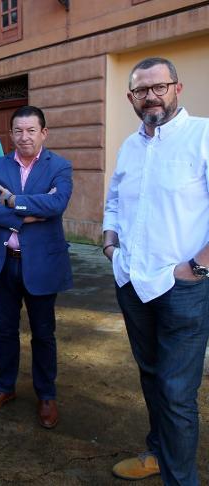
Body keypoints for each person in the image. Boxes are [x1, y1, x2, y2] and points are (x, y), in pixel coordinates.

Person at [103, 57, 209, 485]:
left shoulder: (203, 135)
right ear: (131, 98)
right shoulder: (130, 146)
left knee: (177, 393)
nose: (151, 96)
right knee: (150, 377)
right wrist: (111, 247)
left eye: (158, 87)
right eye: (141, 90)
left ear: (177, 89)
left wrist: (197, 267)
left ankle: (180, 480)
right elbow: (114, 201)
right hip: (133, 282)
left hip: (183, 288)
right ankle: (158, 452)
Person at [0, 105, 73, 429]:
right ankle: (5, 387)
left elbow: (57, 204)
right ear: (11, 134)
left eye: (31, 130)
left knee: (44, 333)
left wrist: (11, 200)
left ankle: (46, 395)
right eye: (18, 131)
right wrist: (31, 210)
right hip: (3, 264)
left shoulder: (60, 166)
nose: (24, 137)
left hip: (42, 265)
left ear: (43, 133)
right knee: (5, 331)